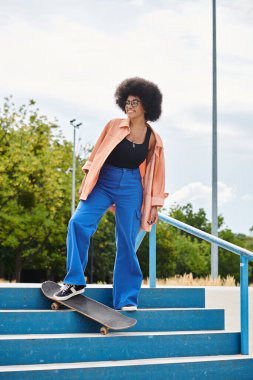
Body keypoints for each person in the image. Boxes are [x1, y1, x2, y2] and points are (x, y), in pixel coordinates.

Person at [54, 77, 168, 311]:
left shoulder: (153, 138)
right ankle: (74, 281)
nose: (129, 106)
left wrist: (155, 204)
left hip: (131, 186)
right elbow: (96, 155)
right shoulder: (113, 125)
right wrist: (87, 179)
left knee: (126, 240)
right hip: (104, 181)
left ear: (147, 105)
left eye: (135, 102)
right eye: (126, 102)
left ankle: (126, 299)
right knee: (78, 223)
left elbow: (156, 174)